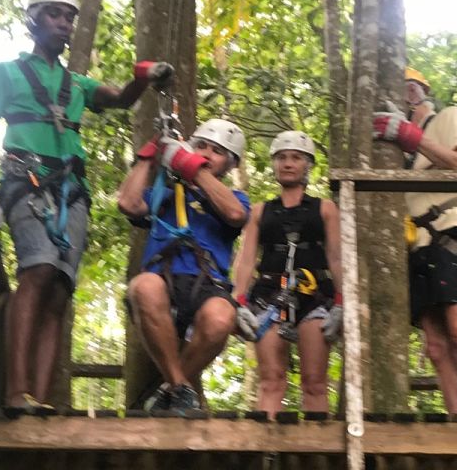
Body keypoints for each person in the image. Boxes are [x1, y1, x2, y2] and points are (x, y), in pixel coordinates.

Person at [0, 0, 173, 412]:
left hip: (71, 191)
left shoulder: (76, 84)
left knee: (60, 290)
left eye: (68, 17)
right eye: (55, 15)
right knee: (38, 270)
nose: (64, 23)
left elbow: (119, 99)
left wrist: (144, 76)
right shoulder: (5, 72)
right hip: (25, 181)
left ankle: (41, 400)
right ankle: (14, 392)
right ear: (33, 21)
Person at [372, 68, 457, 419]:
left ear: (418, 92)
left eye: (409, 91)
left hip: (454, 228)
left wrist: (412, 136)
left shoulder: (449, 118)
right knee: (437, 346)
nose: (406, 99)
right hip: (418, 244)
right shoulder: (402, 159)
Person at [118, 119, 250, 414]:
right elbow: (127, 203)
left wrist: (190, 165)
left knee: (221, 318)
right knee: (143, 285)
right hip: (163, 279)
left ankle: (168, 390)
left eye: (216, 151)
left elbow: (234, 213)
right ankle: (179, 386)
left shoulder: (234, 198)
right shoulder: (164, 194)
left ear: (230, 164)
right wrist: (148, 156)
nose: (205, 153)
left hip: (206, 284)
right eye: (200, 146)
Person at [231, 130, 342, 419]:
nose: (288, 163)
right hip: (269, 297)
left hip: (314, 295)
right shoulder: (259, 211)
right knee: (270, 380)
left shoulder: (325, 209)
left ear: (307, 165)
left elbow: (336, 256)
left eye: (296, 158)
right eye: (281, 158)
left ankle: (317, 455)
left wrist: (342, 303)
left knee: (315, 383)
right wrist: (238, 301)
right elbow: (246, 260)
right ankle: (265, 454)